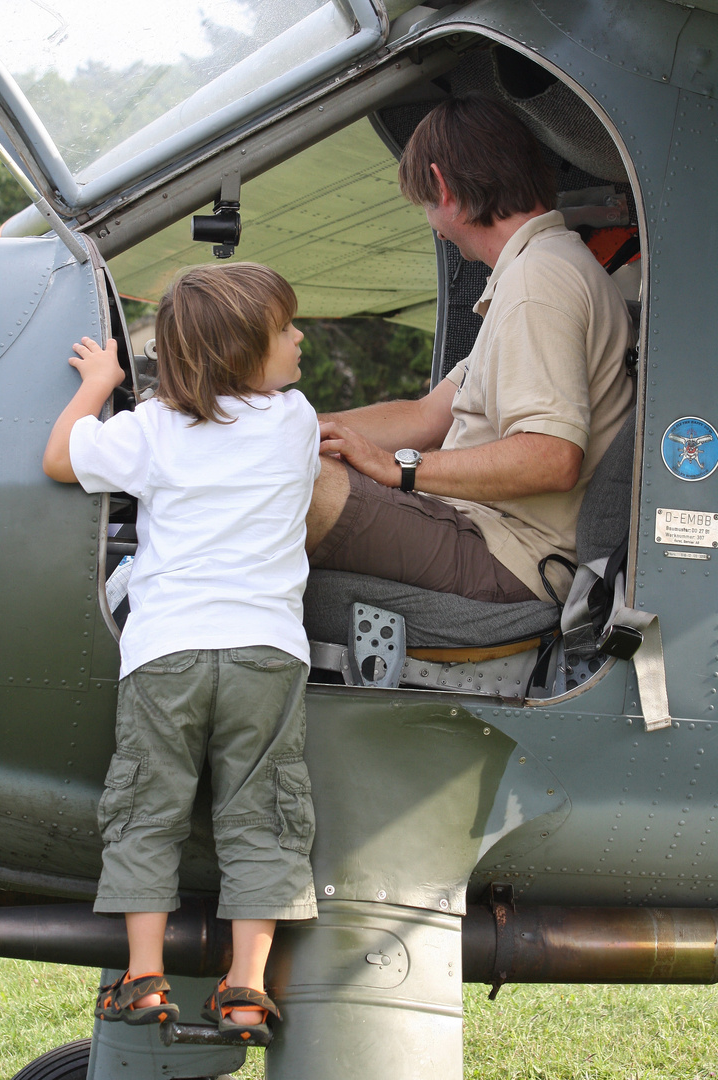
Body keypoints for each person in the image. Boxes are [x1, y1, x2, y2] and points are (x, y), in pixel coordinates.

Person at [43, 263, 320, 1045]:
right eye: (285, 329)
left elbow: (61, 459)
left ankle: (142, 976)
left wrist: (100, 382)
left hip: (166, 650)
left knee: (146, 809)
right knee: (263, 814)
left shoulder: (155, 429)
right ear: (243, 352)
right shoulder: (296, 418)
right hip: (267, 650)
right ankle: (244, 988)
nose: (300, 337)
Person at [307, 94, 635, 607]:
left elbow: (551, 458)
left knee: (289, 484)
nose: (431, 223)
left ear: (443, 187)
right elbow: (425, 414)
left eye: (425, 204)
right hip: (485, 532)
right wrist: (293, 425)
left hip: (513, 554)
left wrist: (401, 468)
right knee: (279, 459)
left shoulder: (537, 283)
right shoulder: (535, 270)